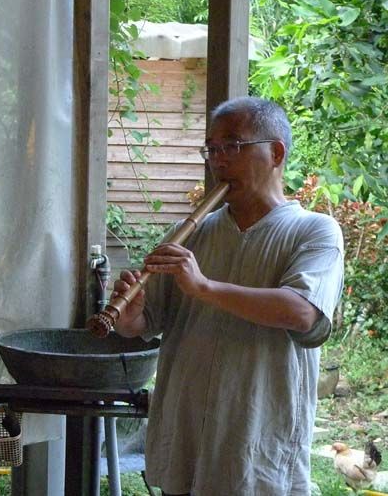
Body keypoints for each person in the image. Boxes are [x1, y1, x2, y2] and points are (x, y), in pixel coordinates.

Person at [112, 96, 344, 495]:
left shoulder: (314, 231)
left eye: (232, 146)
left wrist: (204, 286)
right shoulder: (190, 233)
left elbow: (302, 311)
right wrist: (131, 317)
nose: (218, 161)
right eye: (212, 149)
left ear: (276, 153)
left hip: (254, 439)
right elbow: (147, 323)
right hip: (185, 435)